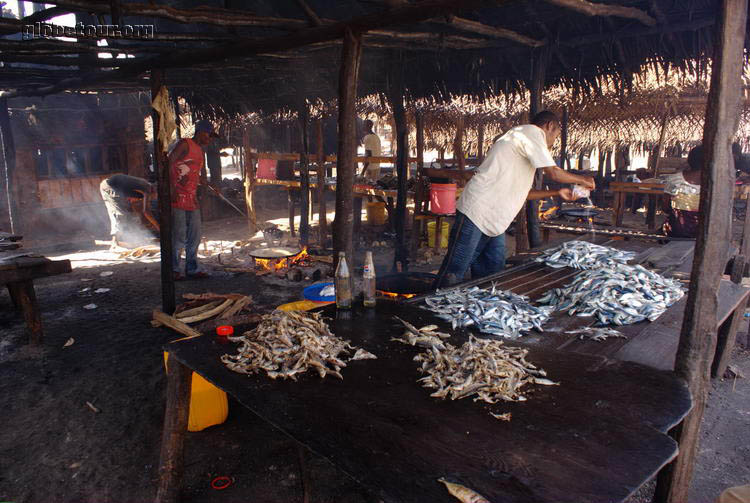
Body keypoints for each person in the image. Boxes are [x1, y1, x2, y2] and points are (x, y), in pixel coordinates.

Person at [434, 111, 596, 288]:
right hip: (476, 211)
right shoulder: (530, 133)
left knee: (492, 275)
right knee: (454, 271)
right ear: (549, 126)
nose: (554, 142)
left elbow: (524, 193)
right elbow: (554, 173)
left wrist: (558, 193)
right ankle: (430, 308)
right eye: (556, 136)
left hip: (495, 220)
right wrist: (583, 179)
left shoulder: (525, 146)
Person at [168, 120, 216, 280]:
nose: (210, 139)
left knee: (195, 234)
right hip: (178, 196)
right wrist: (171, 188)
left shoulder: (200, 151)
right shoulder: (185, 144)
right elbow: (169, 161)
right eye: (209, 135)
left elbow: (199, 174)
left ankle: (192, 269)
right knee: (179, 235)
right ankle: (174, 270)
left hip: (191, 198)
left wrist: (207, 185)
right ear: (201, 132)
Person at [99, 174, 157, 248]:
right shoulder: (147, 188)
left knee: (128, 214)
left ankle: (131, 238)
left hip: (116, 188)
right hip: (109, 186)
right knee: (119, 213)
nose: (155, 197)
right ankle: (114, 243)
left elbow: (141, 208)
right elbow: (146, 211)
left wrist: (143, 221)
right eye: (156, 194)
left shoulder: (145, 189)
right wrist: (158, 227)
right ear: (155, 189)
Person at [661, 145, 702, 238]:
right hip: (701, 232)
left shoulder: (674, 180)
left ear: (689, 160)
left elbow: (665, 207)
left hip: (675, 230)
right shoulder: (713, 184)